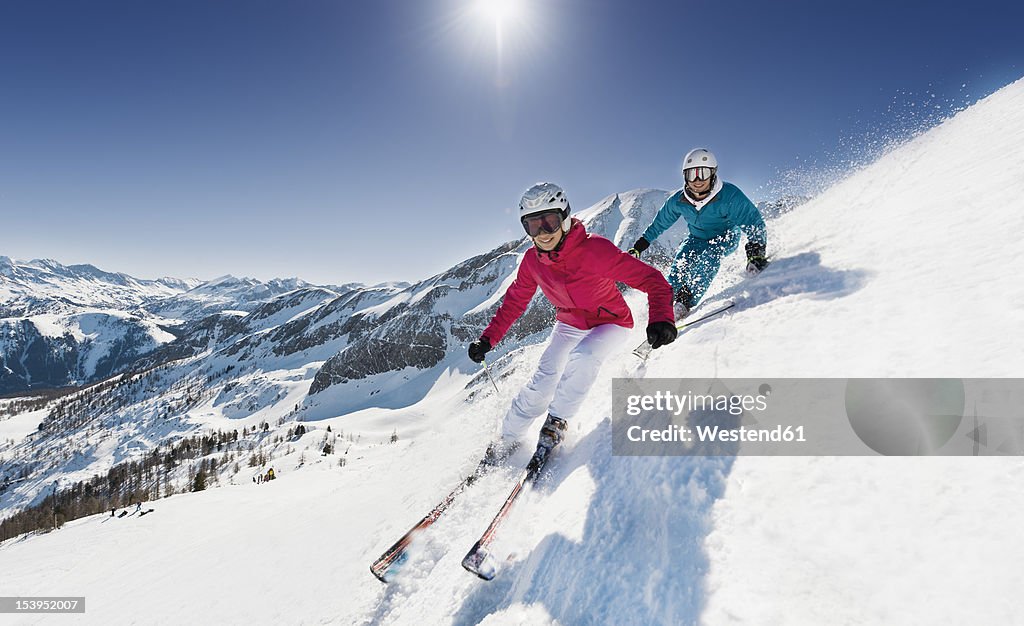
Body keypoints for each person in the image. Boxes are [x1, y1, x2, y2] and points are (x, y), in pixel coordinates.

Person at [468, 182, 677, 465]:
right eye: (533, 226)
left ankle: (556, 423)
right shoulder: (532, 261)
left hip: (612, 322)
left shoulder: (595, 251)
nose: (542, 234)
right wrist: (487, 339)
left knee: (584, 356)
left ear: (565, 218)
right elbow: (515, 302)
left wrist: (661, 317)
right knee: (544, 378)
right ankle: (507, 437)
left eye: (549, 223)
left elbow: (653, 281)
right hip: (569, 323)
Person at [628, 148, 768, 319]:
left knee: (710, 256)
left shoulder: (729, 195)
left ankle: (685, 301)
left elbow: (752, 221)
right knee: (680, 263)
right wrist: (640, 245)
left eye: (702, 173)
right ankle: (665, 302)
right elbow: (660, 223)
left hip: (725, 236)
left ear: (713, 173)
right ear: (685, 176)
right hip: (696, 238)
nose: (697, 180)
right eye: (691, 174)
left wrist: (756, 249)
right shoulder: (679, 200)